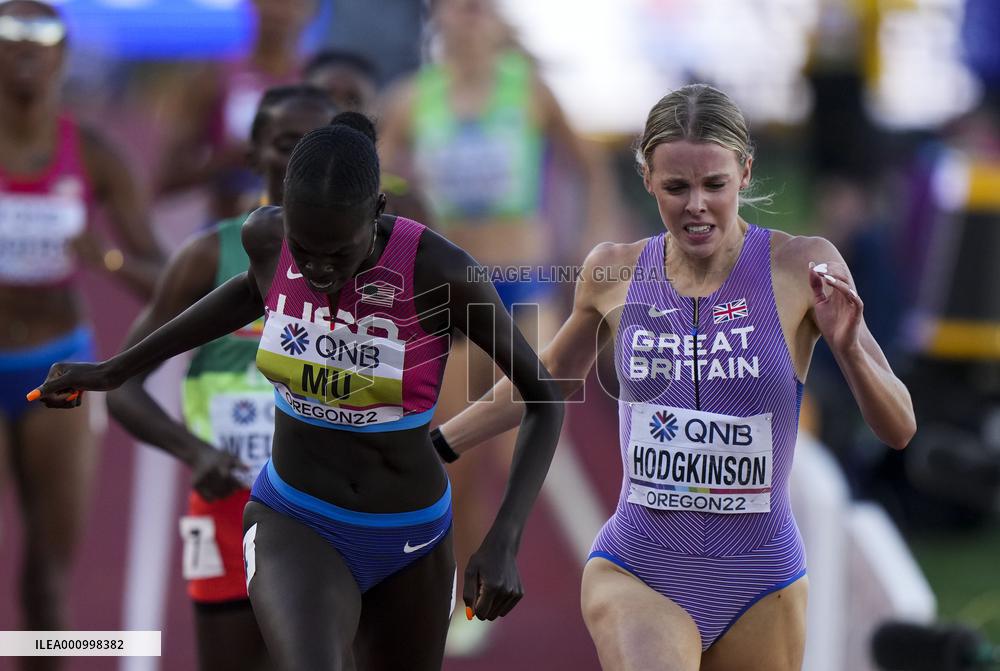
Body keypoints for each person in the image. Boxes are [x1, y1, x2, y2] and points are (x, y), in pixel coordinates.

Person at [33, 113, 564, 670]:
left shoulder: (441, 273)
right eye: (304, 249)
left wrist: (505, 536)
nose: (317, 271)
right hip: (295, 515)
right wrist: (117, 369)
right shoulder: (266, 238)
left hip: (411, 533)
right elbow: (245, 295)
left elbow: (544, 397)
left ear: (377, 212)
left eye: (338, 254)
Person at [430, 84, 917, 670]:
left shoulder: (801, 265)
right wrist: (438, 443)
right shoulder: (614, 270)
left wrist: (850, 350)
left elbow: (900, 428)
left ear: (745, 171)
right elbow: (543, 380)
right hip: (641, 564)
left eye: (714, 185)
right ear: (647, 179)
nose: (696, 206)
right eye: (675, 187)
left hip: (762, 578)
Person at [378, 0, 607, 648]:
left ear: (498, 22)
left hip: (524, 285)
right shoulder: (411, 100)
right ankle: (465, 585)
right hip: (449, 292)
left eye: (483, 7)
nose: (472, 18)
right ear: (439, 19)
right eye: (461, 7)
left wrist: (588, 235)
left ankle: (501, 559)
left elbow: (589, 167)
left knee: (515, 440)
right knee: (454, 453)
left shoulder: (530, 92)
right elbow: (379, 184)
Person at [105, 85, 337, 671]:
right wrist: (194, 452)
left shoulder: (382, 261)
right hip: (227, 506)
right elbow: (123, 386)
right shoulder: (207, 258)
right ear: (254, 154)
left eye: (322, 147)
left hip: (338, 510)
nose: (305, 162)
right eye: (289, 146)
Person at [0, 0, 162, 661]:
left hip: (56, 366)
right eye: (11, 36)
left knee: (48, 568)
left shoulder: (93, 154)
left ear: (63, 57)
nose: (26, 50)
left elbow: (166, 276)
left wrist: (110, 260)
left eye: (42, 37)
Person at [156, 0, 316, 221]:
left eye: (291, 3)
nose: (279, 11)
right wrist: (230, 159)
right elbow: (166, 176)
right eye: (272, 2)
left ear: (312, 10)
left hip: (300, 238)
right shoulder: (212, 76)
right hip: (226, 233)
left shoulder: (321, 81)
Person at [304, 47, 436, 229]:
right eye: (326, 97)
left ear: (375, 112)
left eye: (353, 99)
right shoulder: (275, 196)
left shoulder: (403, 204)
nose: (339, 109)